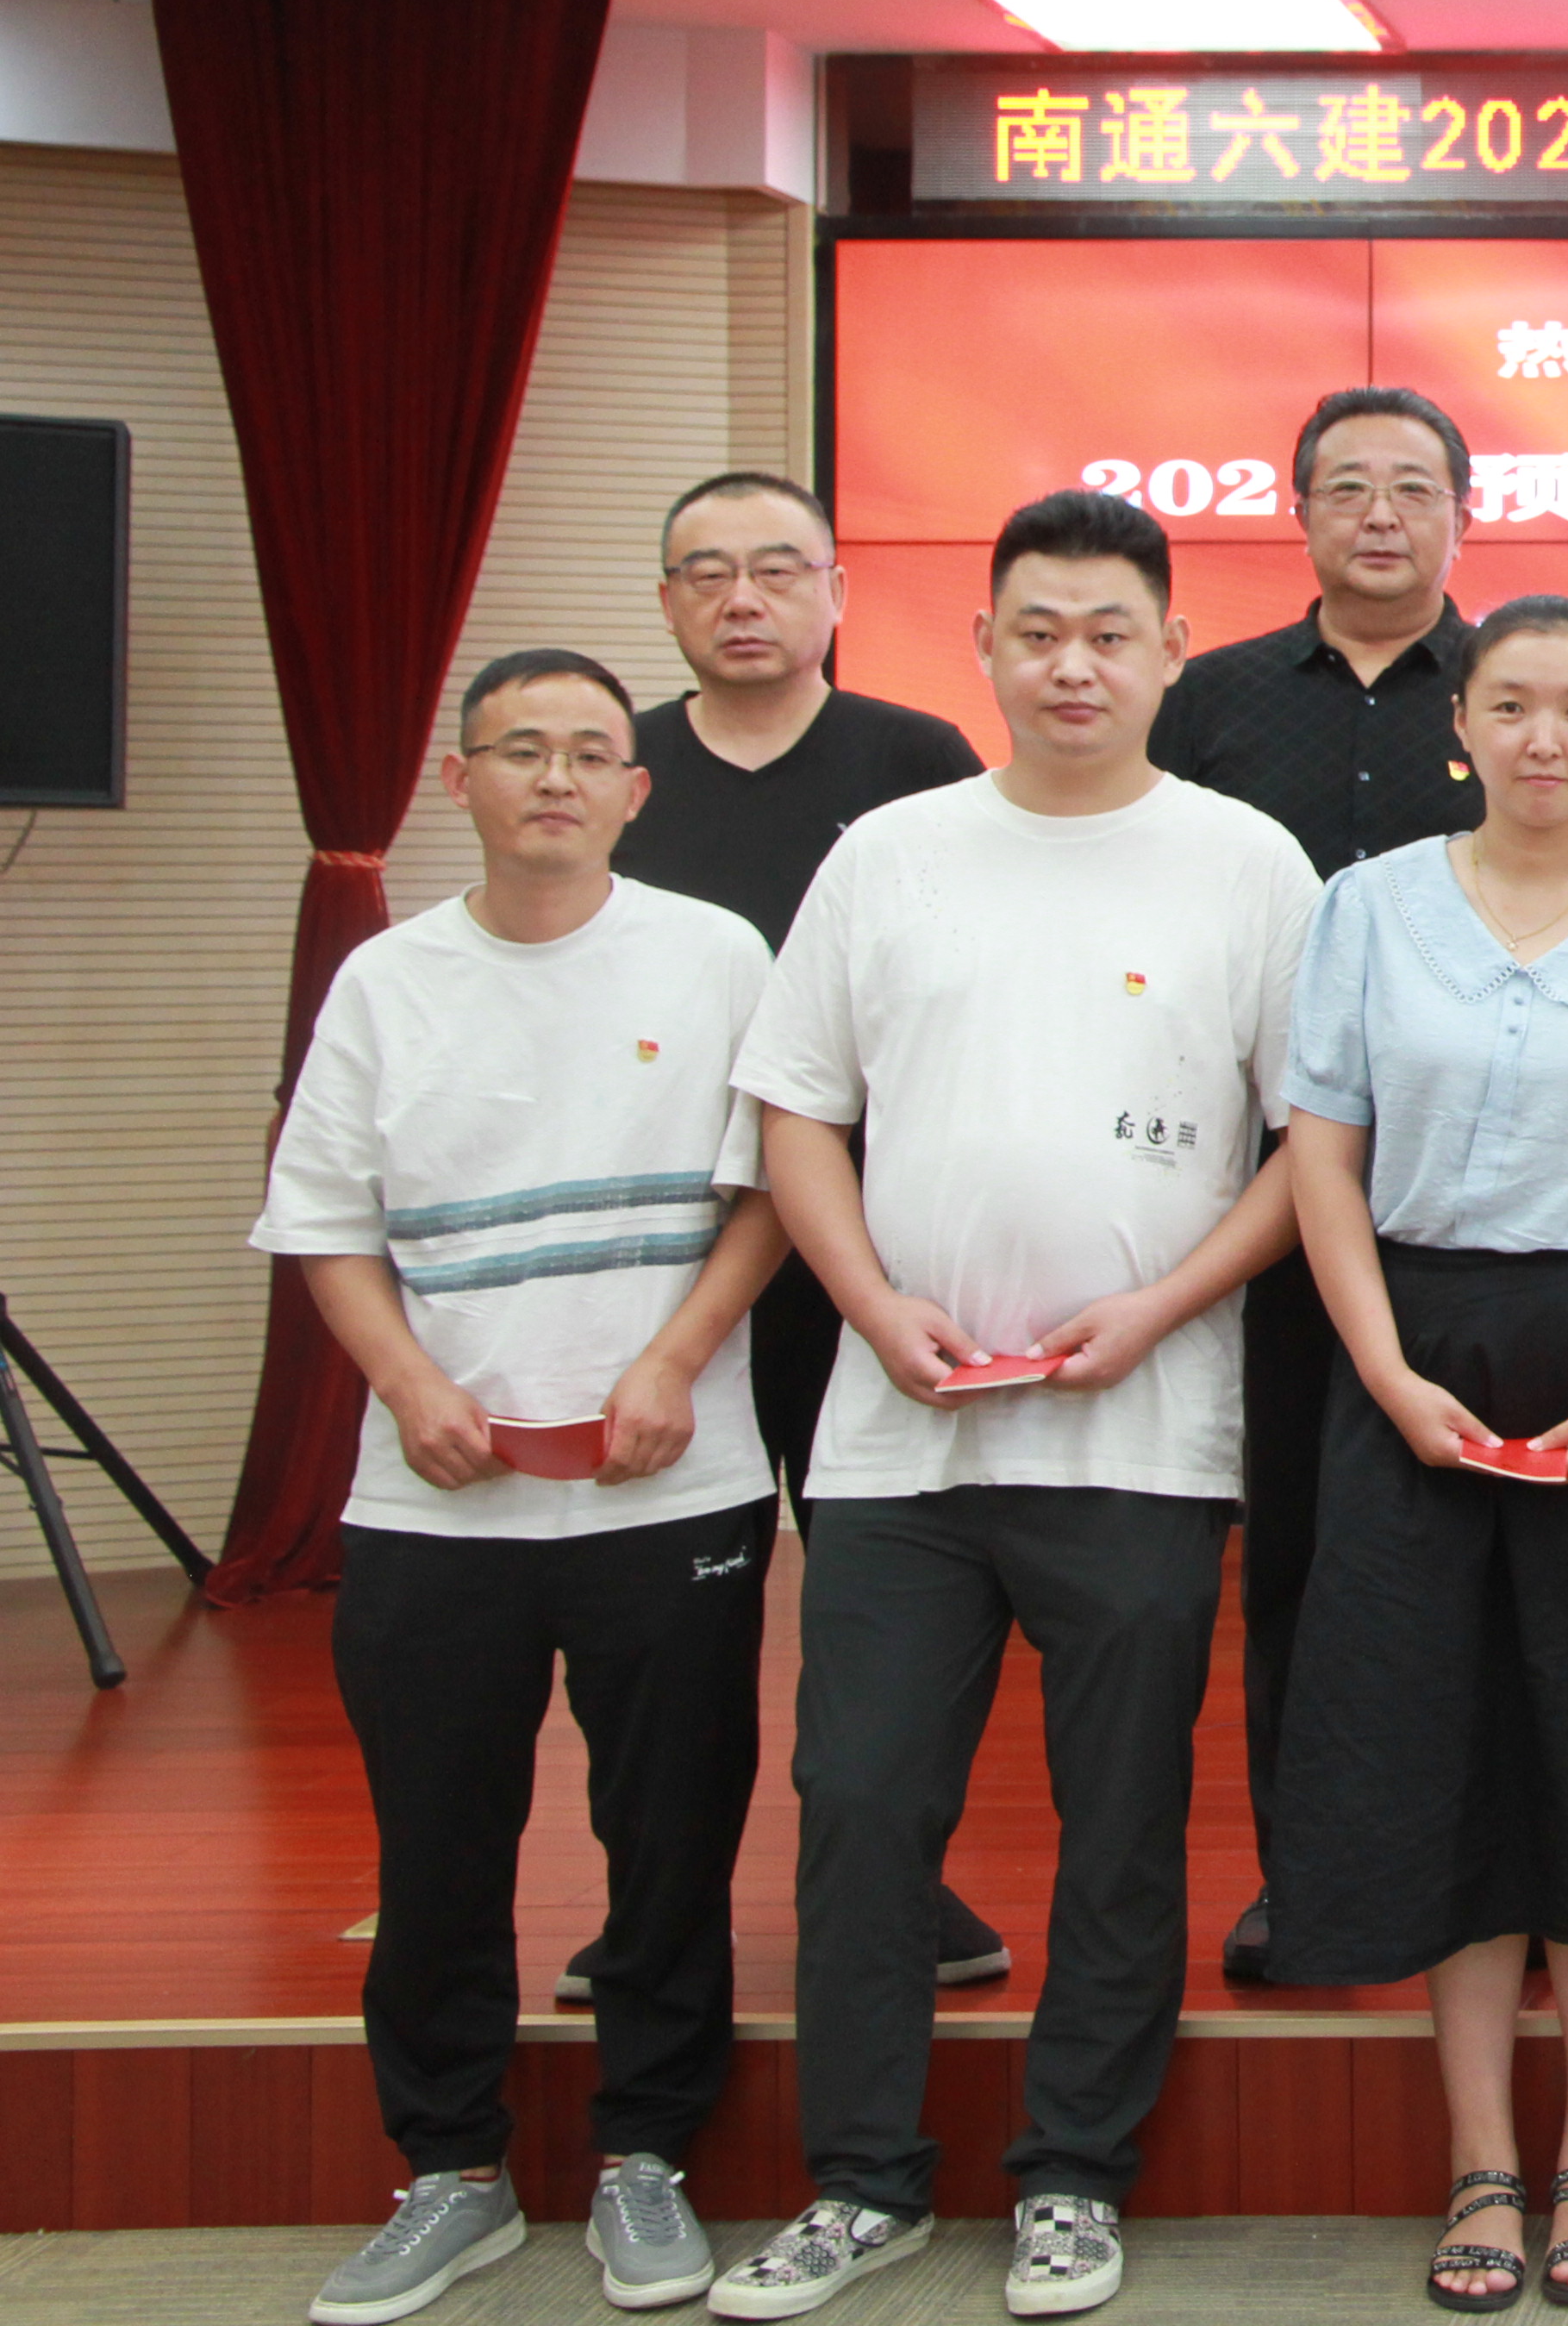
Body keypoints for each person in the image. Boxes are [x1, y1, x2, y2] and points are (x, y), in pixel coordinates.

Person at [710, 490, 1321, 2324]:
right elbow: (796, 1112)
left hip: (1141, 1436)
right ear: (978, 643)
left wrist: (1162, 1307)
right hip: (899, 1440)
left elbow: (1314, 1145)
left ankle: (1072, 2176)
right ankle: (862, 2182)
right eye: (1037, 631)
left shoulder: (1248, 864)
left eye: (1109, 634)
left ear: (1170, 653)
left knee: (1119, 1822)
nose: (1072, 666)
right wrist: (867, 1305)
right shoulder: (888, 855)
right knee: (860, 1806)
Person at [259, 649, 787, 2326]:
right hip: (437, 1505)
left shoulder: (715, 956)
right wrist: (411, 1386)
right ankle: (452, 2171)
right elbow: (325, 1224)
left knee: (671, 1841)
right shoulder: (387, 981)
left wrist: (675, 1360)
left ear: (636, 789)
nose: (555, 778)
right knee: (436, 1850)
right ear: (460, 780)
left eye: (589, 753)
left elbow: (774, 1193)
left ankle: (647, 2155)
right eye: (521, 749)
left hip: (672, 1487)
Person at [1264, 595, 1568, 2313]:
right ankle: (1482, 2159)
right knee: (1443, 1760)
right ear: (1461, 722)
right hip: (1412, 1365)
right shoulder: (1366, 907)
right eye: (1513, 705)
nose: (1545, 738)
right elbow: (1322, 1158)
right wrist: (1384, 1373)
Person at [605, 469, 1009, 2006]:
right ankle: (658, 1918)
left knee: (875, 1598)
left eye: (778, 569)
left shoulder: (916, 764)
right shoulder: (623, 771)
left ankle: (895, 1885)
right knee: (671, 1610)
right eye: (707, 573)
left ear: (836, 592)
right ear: (667, 603)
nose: (743, 600)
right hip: (675, 1259)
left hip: (862, 1257)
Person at [1146, 385, 1489, 1986]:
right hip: (1266, 1197)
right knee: (1295, 1551)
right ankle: (1308, 1880)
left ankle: (1494, 1881)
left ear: (1462, 512)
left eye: (1412, 487)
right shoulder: (1210, 700)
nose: (1379, 514)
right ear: (1297, 513)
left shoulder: (1513, 688)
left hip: (1484, 1204)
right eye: (1346, 486)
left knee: (1487, 1559)